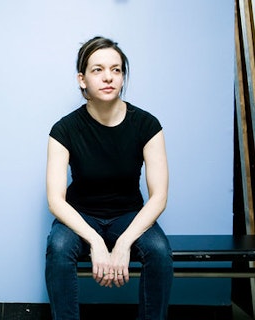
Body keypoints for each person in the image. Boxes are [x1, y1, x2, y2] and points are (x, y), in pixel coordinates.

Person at [45, 36, 173, 320]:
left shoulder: (147, 125)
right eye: (98, 69)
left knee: (159, 250)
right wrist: (97, 243)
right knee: (59, 246)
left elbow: (159, 196)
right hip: (80, 215)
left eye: (116, 70)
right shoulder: (63, 130)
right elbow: (55, 201)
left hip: (127, 214)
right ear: (82, 79)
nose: (108, 77)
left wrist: (124, 242)